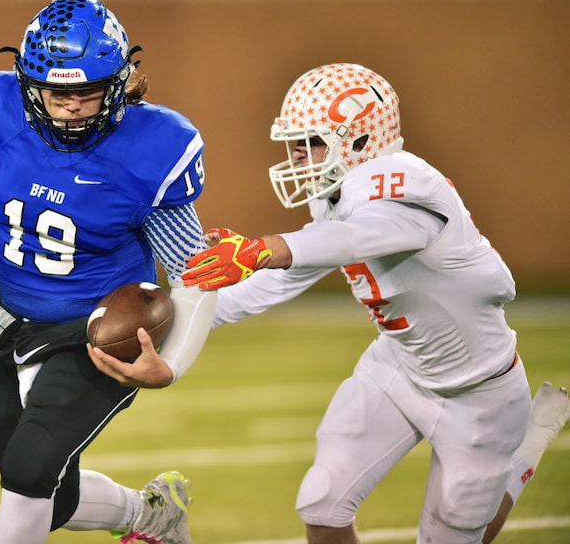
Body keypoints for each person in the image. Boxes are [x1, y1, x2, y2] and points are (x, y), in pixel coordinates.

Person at [176, 63, 570, 543]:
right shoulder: (336, 195)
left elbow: (358, 236)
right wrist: (181, 318)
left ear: (362, 141)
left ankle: (525, 451)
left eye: (312, 142)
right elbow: (281, 280)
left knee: (454, 533)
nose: (299, 157)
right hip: (399, 367)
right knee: (323, 503)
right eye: (294, 144)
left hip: (479, 392)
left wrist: (265, 248)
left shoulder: (405, 183)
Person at [0, 0, 217, 543]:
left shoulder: (150, 148)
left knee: (31, 470)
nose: (74, 105)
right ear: (29, 82)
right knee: (43, 492)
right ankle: (151, 515)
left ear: (120, 79)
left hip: (98, 332)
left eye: (89, 90)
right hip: (15, 323)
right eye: (60, 91)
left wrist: (170, 364)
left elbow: (196, 273)